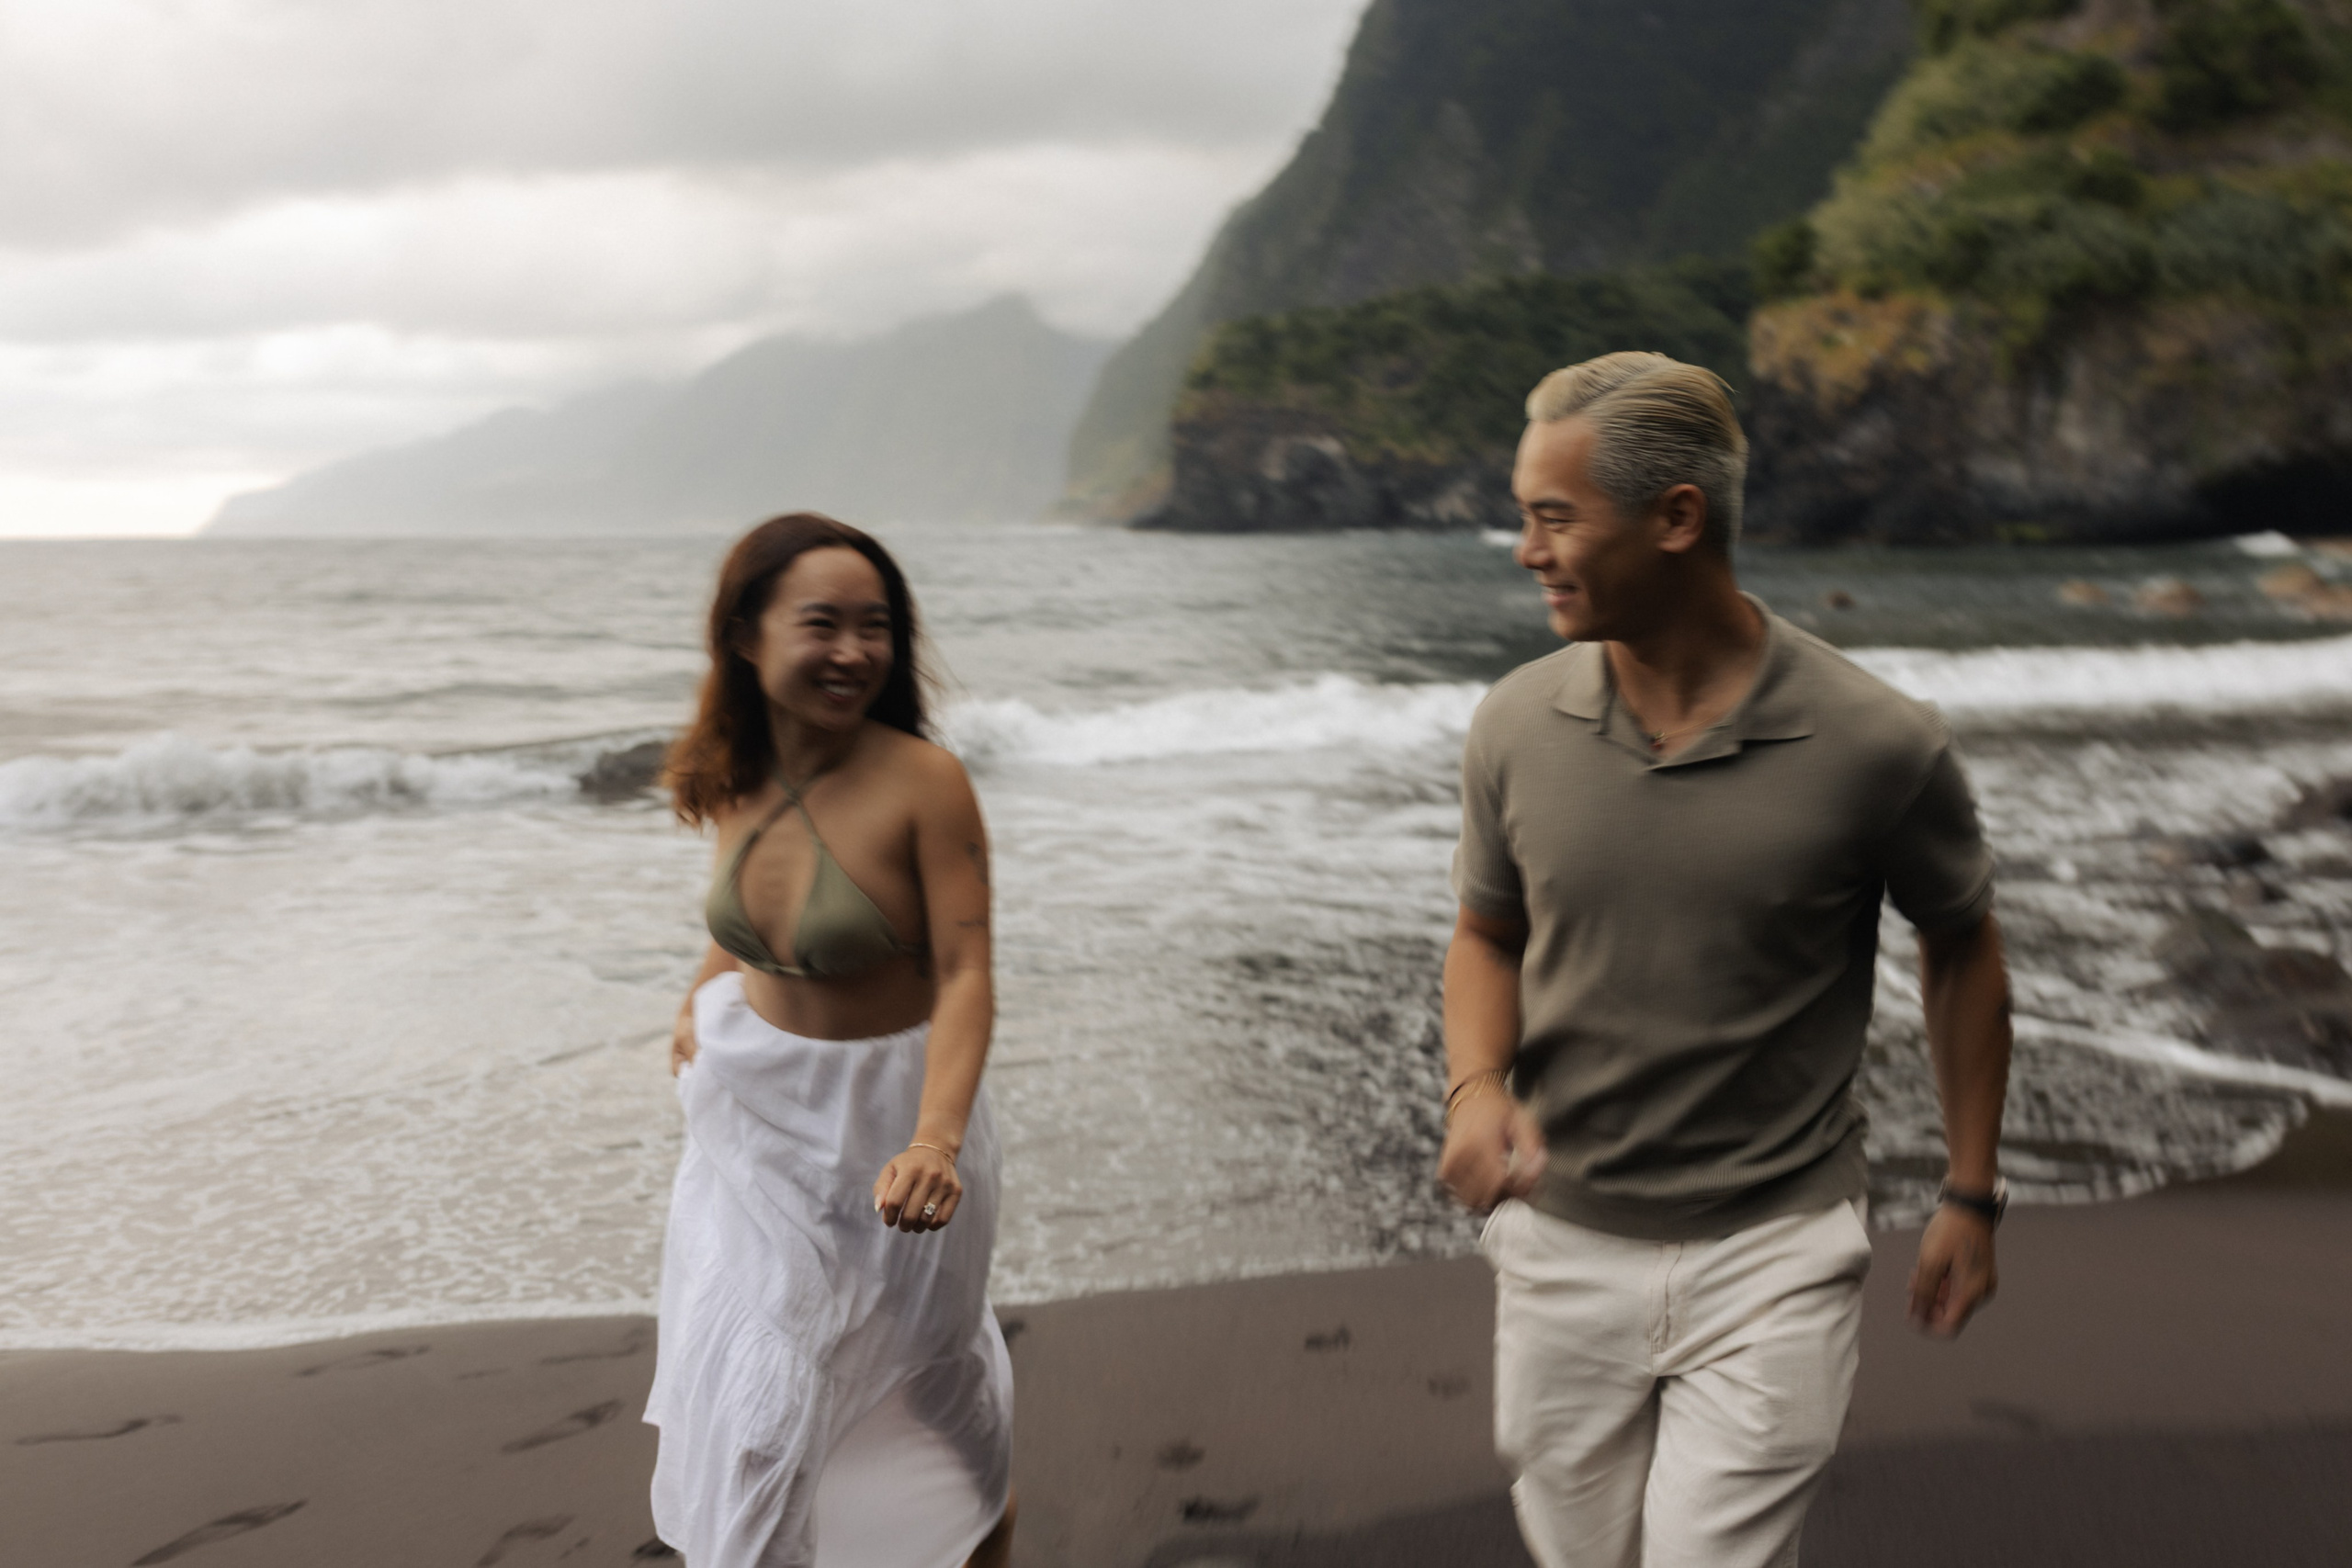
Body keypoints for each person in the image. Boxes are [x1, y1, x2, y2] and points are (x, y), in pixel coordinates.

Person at [1440, 354, 2012, 1568]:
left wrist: (1971, 1189)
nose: (1525, 548)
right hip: (1557, 1239)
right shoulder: (1513, 722)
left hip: (1777, 1249)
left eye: (1553, 517)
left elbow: (1960, 945)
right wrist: (1476, 1086)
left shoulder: (1879, 741)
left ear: (1678, 517)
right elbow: (1488, 930)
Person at [644, 513, 1015, 1568]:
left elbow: (965, 972)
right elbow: (750, 927)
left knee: (927, 1392)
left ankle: (982, 1537)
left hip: (895, 1128)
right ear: (747, 636)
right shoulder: (735, 769)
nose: (853, 650)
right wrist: (699, 995)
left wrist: (935, 1141)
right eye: (822, 623)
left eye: (877, 626)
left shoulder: (923, 783)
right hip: (756, 1124)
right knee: (763, 1412)